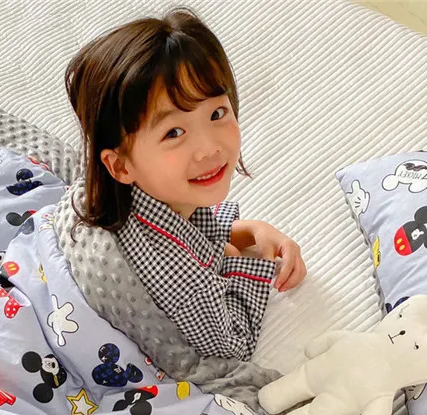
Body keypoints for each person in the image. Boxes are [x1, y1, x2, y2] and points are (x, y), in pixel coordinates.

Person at [64, 6, 306, 361]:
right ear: (120, 166)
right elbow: (231, 344)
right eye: (174, 132)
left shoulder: (120, 198)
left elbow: (185, 231)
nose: (209, 148)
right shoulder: (176, 277)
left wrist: (251, 231)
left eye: (217, 113)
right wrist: (243, 263)